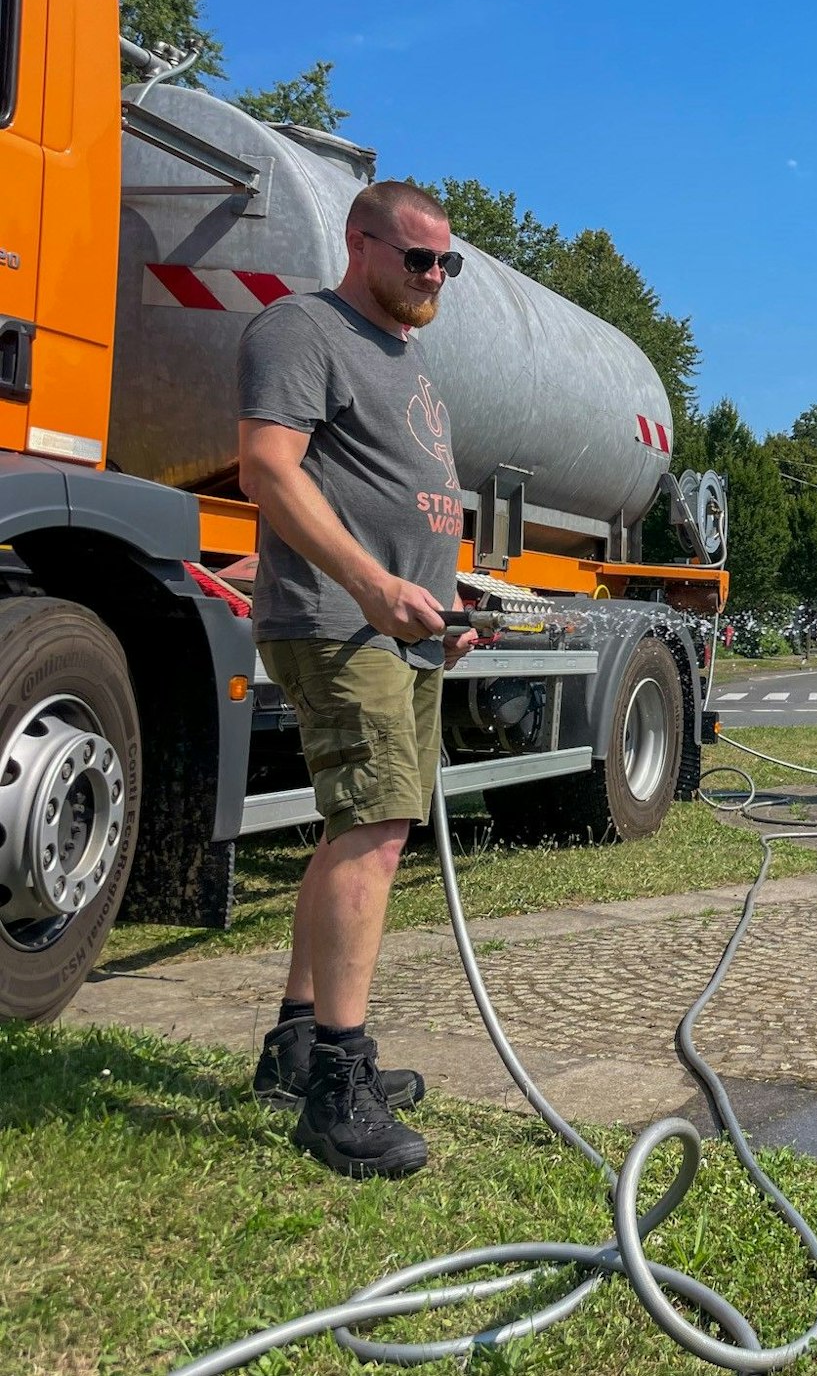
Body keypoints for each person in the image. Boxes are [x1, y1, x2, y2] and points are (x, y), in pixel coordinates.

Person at [237, 179, 473, 1179]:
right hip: (337, 624)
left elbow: (401, 499)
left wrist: (439, 604)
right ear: (360, 244)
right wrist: (374, 587)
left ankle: (297, 1042)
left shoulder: (407, 357)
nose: (433, 277)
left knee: (354, 831)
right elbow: (268, 467)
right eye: (416, 258)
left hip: (402, 632)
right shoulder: (303, 330)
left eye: (446, 263)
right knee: (375, 832)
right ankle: (341, 1083)